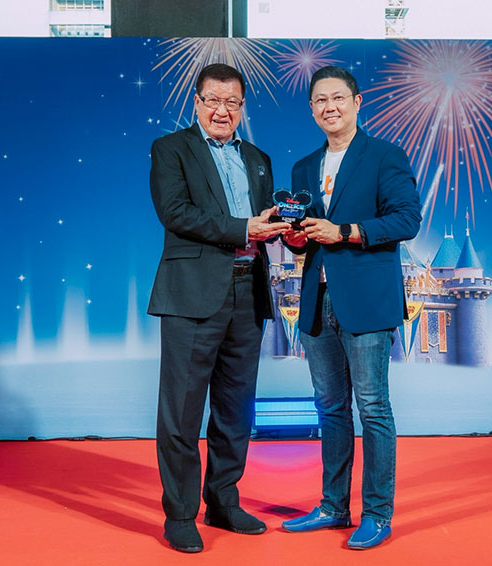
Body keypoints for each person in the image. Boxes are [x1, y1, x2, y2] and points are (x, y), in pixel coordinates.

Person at [148, 63, 290, 553]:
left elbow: (263, 219)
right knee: (182, 412)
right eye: (213, 100)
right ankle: (180, 513)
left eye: (232, 102)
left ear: (242, 107)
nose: (222, 110)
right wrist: (244, 228)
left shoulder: (258, 158)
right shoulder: (171, 149)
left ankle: (223, 501)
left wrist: (284, 228)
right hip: (192, 294)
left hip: (249, 292)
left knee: (235, 408)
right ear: (196, 102)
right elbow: (175, 213)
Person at [280, 66, 421, 549]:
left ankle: (377, 514)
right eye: (320, 100)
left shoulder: (384, 156)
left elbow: (406, 219)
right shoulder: (303, 167)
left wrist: (346, 232)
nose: (330, 107)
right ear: (311, 109)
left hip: (367, 302)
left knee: (373, 408)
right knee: (330, 409)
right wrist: (295, 238)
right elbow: (303, 239)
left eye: (338, 98)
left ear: (357, 102)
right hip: (318, 301)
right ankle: (333, 506)